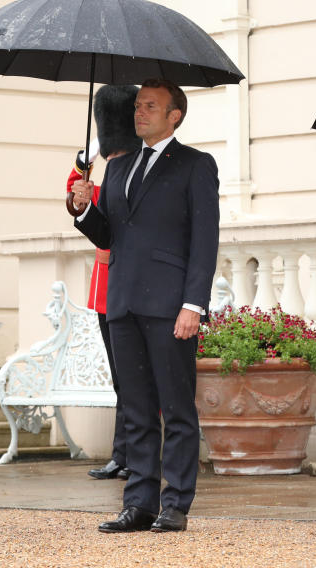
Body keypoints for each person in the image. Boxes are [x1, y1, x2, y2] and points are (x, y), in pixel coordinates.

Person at [71, 78, 219, 534]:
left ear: (175, 114)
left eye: (150, 106)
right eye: (137, 106)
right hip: (123, 303)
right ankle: (139, 502)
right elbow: (110, 234)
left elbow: (204, 241)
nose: (139, 113)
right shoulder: (118, 166)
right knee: (134, 410)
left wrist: (193, 304)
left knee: (175, 409)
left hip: (171, 305)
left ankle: (175, 504)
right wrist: (82, 209)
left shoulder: (196, 165)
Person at [66, 84, 142, 481]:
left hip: (129, 282)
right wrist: (84, 162)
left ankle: (129, 454)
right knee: (121, 377)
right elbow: (75, 200)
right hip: (105, 287)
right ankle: (123, 454)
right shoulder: (107, 167)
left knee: (130, 376)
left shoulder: (135, 167)